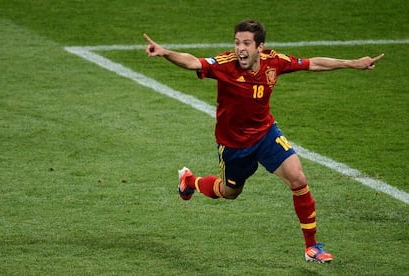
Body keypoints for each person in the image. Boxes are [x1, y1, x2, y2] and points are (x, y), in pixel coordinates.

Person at [143, 19, 384, 263]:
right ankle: (189, 181)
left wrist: (353, 63)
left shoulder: (274, 62)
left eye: (246, 43)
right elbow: (193, 61)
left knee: (298, 178)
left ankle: (312, 248)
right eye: (237, 43)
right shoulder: (225, 65)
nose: (240, 49)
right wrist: (166, 53)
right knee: (229, 192)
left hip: (265, 134)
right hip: (234, 145)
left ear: (260, 47)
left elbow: (313, 64)